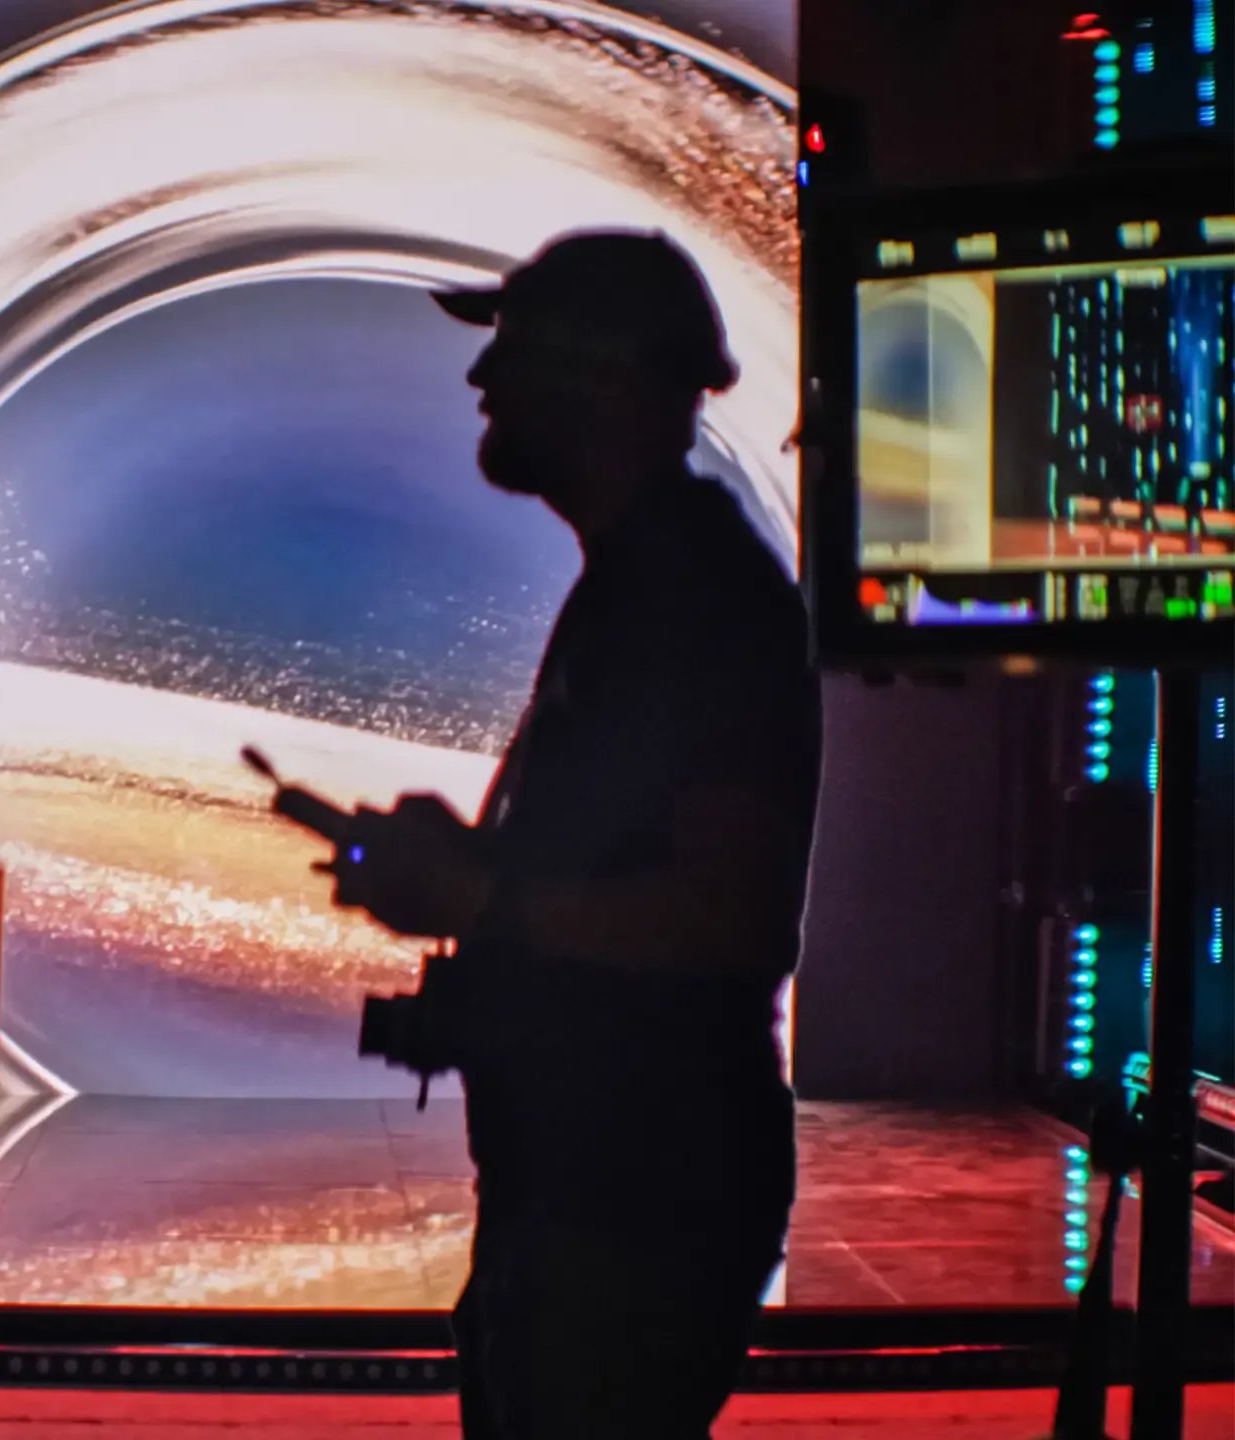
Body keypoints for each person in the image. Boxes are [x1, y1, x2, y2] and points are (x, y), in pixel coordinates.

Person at [321, 231, 821, 1437]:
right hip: (594, 1194)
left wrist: (484, 898)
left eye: (516, 349)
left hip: (632, 1206)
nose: (481, 382)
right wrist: (473, 865)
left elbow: (733, 916)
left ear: (608, 377)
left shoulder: (692, 599)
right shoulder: (648, 580)